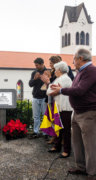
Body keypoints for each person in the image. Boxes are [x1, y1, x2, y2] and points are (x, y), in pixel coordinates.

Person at [50, 48, 96, 180]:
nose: (73, 61)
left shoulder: (91, 71)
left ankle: (93, 173)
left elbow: (79, 91)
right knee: (77, 142)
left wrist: (61, 90)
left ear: (81, 59)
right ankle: (81, 167)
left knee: (90, 144)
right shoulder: (82, 72)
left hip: (88, 113)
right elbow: (75, 89)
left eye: (74, 59)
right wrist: (62, 89)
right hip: (78, 112)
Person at [45, 61, 73, 158]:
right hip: (59, 107)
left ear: (59, 70)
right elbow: (49, 91)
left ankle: (66, 150)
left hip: (65, 107)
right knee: (58, 128)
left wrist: (51, 88)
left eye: (55, 70)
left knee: (65, 129)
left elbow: (51, 91)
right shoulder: (59, 78)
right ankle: (57, 146)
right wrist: (51, 88)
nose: (54, 72)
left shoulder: (65, 78)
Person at [28, 58, 49, 140]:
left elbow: (50, 83)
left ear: (42, 64)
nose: (35, 66)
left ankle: (45, 133)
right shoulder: (34, 72)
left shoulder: (47, 72)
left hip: (44, 97)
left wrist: (45, 79)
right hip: (36, 97)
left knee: (45, 116)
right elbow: (30, 84)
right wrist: (35, 79)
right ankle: (36, 132)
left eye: (37, 65)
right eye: (35, 65)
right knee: (36, 116)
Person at [41, 56, 61, 144]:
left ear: (56, 63)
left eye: (51, 63)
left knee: (56, 119)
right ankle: (54, 137)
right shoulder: (53, 71)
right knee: (52, 119)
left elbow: (54, 83)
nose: (49, 65)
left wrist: (48, 79)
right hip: (50, 98)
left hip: (55, 99)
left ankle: (59, 138)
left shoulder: (59, 72)